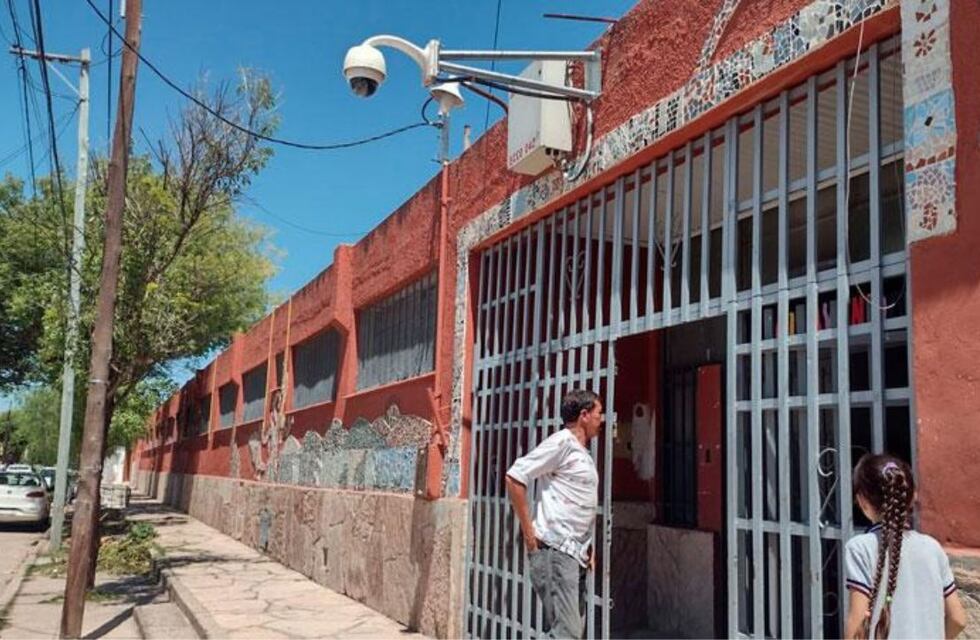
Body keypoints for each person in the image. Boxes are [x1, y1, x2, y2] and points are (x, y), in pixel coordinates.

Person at [505, 389, 603, 639]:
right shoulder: (562, 443)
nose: (601, 419)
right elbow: (515, 476)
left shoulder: (582, 453)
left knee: (569, 630)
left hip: (574, 554)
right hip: (556, 552)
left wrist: (588, 546)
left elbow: (578, 502)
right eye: (598, 413)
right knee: (567, 633)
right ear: (584, 415)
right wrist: (529, 534)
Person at [844, 453, 967, 639]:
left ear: (862, 500)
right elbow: (958, 619)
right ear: (912, 497)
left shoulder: (860, 548)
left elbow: (856, 627)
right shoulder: (933, 548)